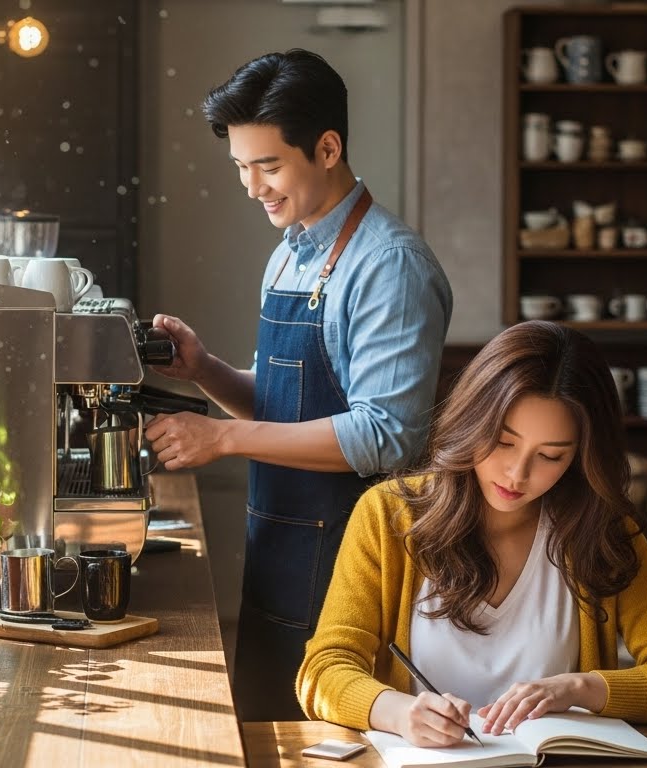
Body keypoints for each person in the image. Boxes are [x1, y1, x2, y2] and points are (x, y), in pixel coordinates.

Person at [144, 49, 453, 721]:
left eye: (269, 165)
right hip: (280, 548)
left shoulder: (388, 267)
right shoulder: (290, 251)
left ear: (328, 147)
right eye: (239, 168)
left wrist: (221, 437)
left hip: (355, 559)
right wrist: (205, 370)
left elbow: (383, 436)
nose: (253, 188)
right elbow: (285, 407)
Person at [297, 321, 647, 745]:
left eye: (551, 456)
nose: (518, 475)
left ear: (580, 457)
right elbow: (325, 670)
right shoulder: (390, 515)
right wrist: (399, 713)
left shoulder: (603, 531)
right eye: (503, 442)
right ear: (471, 421)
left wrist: (581, 688)